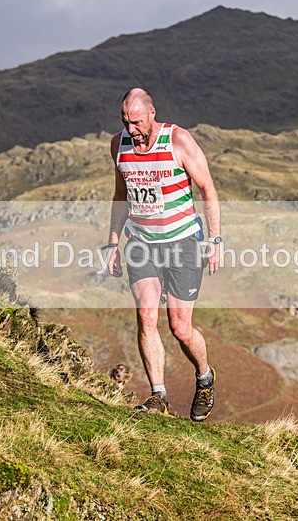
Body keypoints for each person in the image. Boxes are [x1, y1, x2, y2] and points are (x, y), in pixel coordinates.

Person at [105, 88, 222, 422]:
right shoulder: (119, 144)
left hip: (183, 242)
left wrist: (215, 238)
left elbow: (207, 189)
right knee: (145, 316)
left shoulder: (178, 140)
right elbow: (120, 194)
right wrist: (113, 243)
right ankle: (158, 396)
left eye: (138, 122)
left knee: (180, 327)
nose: (132, 130)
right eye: (125, 122)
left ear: (152, 112)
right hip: (141, 243)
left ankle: (204, 376)